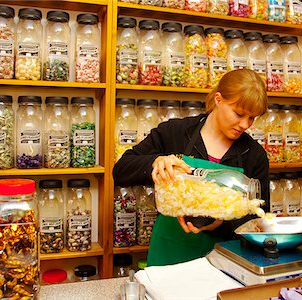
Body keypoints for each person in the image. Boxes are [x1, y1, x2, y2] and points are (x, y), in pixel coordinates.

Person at [113, 69, 270, 266]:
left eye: (252, 118)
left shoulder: (254, 155)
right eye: (239, 114)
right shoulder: (175, 133)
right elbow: (120, 171)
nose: (245, 124)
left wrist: (220, 224)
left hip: (225, 264)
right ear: (219, 99)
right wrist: (155, 162)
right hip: (170, 255)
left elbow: (259, 223)